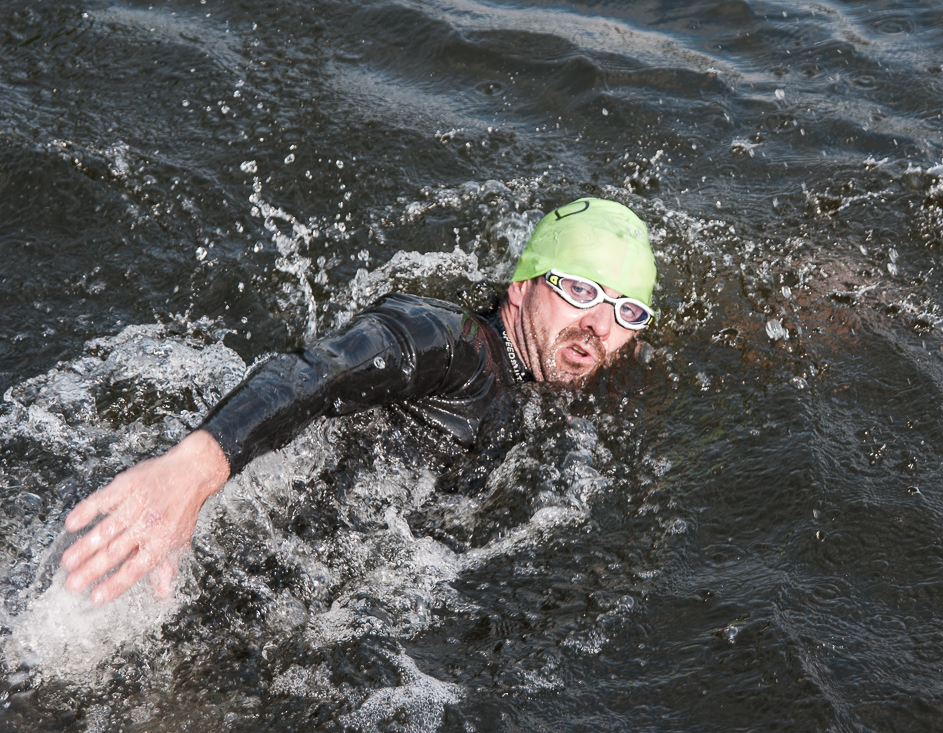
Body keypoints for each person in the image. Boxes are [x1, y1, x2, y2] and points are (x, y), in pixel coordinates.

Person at [59, 197, 658, 604]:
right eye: (581, 290)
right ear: (523, 285)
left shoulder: (540, 376)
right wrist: (193, 469)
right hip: (244, 554)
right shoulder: (453, 344)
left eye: (627, 310)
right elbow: (321, 370)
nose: (600, 326)